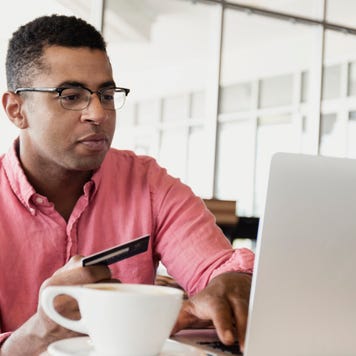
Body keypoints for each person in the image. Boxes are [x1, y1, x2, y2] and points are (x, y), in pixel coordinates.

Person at [0, 14, 254, 355]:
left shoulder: (148, 183)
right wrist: (39, 332)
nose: (99, 113)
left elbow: (216, 268)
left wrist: (233, 283)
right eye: (71, 95)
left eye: (106, 94)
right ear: (16, 109)